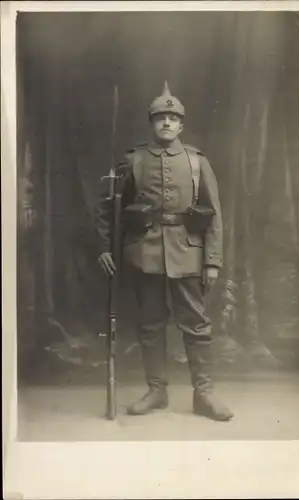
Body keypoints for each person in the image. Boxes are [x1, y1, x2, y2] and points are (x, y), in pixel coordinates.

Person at [94, 82, 233, 421]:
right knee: (151, 324)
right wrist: (104, 248)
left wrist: (212, 261)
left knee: (196, 324)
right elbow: (108, 207)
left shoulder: (197, 162)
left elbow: (214, 213)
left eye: (173, 118)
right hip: (146, 253)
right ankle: (157, 391)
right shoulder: (134, 160)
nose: (167, 123)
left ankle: (204, 393)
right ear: (152, 124)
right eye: (160, 118)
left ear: (181, 125)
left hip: (188, 253)